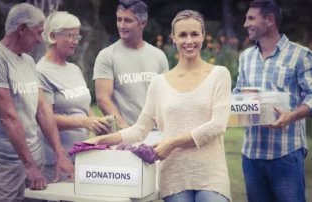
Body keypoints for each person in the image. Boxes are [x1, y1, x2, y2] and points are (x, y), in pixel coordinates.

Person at [86, 9, 232, 202]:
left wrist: (171, 143)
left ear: (203, 36)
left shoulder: (219, 74)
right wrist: (100, 141)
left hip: (211, 173)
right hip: (173, 175)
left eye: (195, 34)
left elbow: (217, 125)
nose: (189, 41)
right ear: (173, 38)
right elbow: (139, 130)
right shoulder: (159, 82)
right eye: (182, 35)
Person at [232, 0, 312, 202]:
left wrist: (291, 116)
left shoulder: (300, 55)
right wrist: (235, 103)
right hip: (251, 154)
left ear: (270, 20)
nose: (245, 24)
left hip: (285, 153)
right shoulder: (246, 57)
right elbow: (237, 93)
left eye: (251, 18)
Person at [0, 3, 74, 202]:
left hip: (34, 160)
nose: (40, 40)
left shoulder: (28, 61)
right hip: (7, 164)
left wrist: (59, 153)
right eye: (38, 33)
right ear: (21, 29)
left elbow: (42, 108)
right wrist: (28, 166)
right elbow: (8, 118)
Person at [37, 11, 110, 183]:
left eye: (77, 36)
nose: (75, 41)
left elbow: (84, 107)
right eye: (70, 36)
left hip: (82, 155)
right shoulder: (40, 72)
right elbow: (44, 119)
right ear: (53, 36)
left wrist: (98, 124)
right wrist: (83, 122)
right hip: (56, 159)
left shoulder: (74, 69)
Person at [93, 0, 169, 129]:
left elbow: (165, 96)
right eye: (119, 20)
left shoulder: (158, 56)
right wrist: (126, 129)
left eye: (128, 21)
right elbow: (102, 99)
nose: (121, 25)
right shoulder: (107, 56)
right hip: (123, 135)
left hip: (156, 133)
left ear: (142, 23)